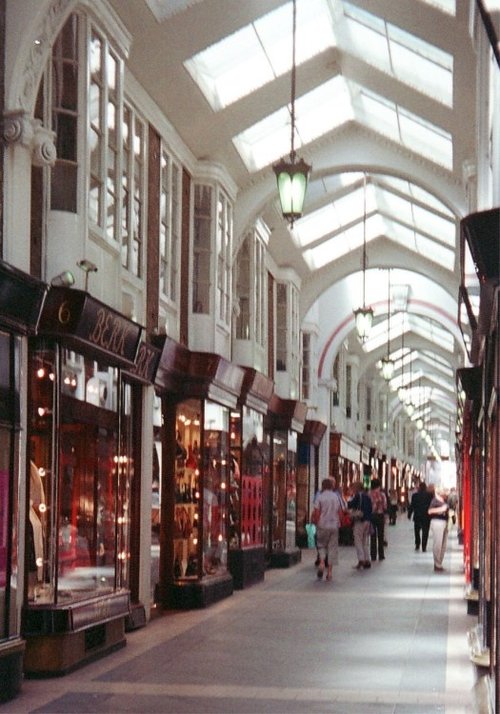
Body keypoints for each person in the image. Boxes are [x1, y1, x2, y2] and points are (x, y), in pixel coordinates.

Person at [312, 478, 344, 581]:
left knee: (321, 545)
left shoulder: (320, 497)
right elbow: (340, 512)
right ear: (332, 486)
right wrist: (340, 522)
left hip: (322, 525)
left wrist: (317, 522)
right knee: (332, 548)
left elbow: (317, 512)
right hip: (334, 525)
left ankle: (321, 562)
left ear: (323, 486)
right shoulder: (336, 497)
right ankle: (329, 573)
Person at [348, 481, 372, 569]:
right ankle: (367, 559)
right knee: (364, 541)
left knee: (358, 540)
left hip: (360, 520)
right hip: (367, 520)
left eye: (353, 488)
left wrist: (348, 502)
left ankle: (361, 559)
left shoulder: (358, 496)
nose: (352, 490)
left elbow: (351, 505)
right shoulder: (367, 496)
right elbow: (370, 508)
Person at [428, 486, 449, 572]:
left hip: (444, 522)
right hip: (437, 523)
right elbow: (429, 511)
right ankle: (437, 564)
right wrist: (441, 509)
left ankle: (439, 563)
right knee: (438, 543)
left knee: (443, 544)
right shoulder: (434, 501)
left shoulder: (444, 501)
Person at [407, 481, 432, 552]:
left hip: (417, 516)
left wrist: (409, 514)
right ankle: (424, 546)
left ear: (419, 488)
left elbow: (412, 506)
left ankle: (417, 544)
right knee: (425, 531)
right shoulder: (429, 495)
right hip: (426, 516)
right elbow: (431, 506)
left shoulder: (415, 496)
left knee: (417, 531)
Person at [369, 478, 387, 561]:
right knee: (380, 535)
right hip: (380, 516)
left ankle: (373, 555)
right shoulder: (382, 495)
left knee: (372, 535)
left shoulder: (369, 494)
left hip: (372, 516)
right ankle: (381, 554)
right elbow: (385, 506)